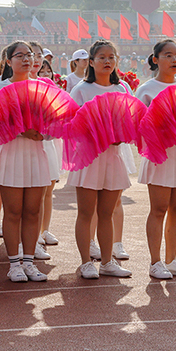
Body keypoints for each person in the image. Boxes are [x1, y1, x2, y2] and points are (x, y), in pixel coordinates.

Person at [68, 40, 133, 279]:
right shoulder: (81, 90)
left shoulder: (122, 88)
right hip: (88, 158)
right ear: (91, 62)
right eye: (102, 57)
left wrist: (121, 135)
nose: (107, 61)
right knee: (86, 212)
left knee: (107, 212)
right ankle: (86, 262)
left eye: (111, 57)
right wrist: (95, 135)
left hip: (113, 157)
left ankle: (107, 262)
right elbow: (71, 126)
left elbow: (131, 120)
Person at [136, 39, 176, 279]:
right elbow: (139, 127)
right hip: (159, 156)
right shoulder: (146, 89)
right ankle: (155, 262)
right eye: (168, 55)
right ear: (155, 59)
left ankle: (172, 260)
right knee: (159, 208)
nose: (174, 60)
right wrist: (164, 132)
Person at [0, 41, 50, 283]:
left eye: (30, 55)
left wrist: (43, 130)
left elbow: (55, 121)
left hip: (36, 153)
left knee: (33, 211)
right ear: (8, 61)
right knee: (13, 211)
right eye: (20, 56)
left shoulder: (43, 87)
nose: (27, 60)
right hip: (12, 153)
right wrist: (21, 130)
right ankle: (14, 263)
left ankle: (29, 262)